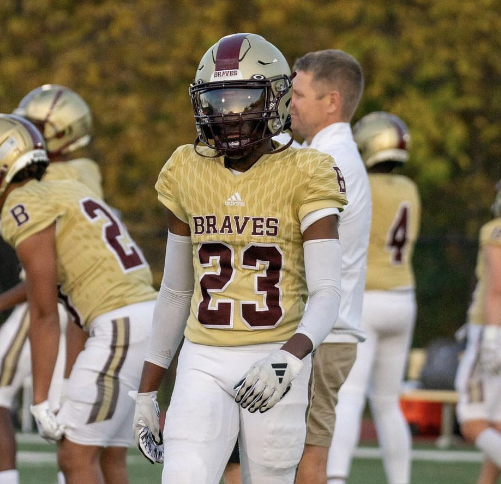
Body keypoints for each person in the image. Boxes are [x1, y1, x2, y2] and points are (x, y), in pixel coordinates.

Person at [131, 33, 348, 484]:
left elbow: (328, 290)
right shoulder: (186, 168)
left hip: (275, 355)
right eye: (217, 100)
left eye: (244, 99)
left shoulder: (307, 170)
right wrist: (146, 390)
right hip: (203, 357)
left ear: (276, 97)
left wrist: (290, 357)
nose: (230, 115)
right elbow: (175, 289)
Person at [0, 113, 157, 484]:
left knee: (74, 455)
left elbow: (43, 311)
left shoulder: (21, 206)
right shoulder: (67, 187)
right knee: (104, 457)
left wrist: (40, 400)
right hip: (139, 316)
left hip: (120, 322)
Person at [0, 84, 105, 484]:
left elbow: (50, 270)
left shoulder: (38, 181)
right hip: (85, 302)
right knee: (72, 413)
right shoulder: (85, 170)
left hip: (57, 303)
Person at [283, 50, 372, 484]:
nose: (290, 102)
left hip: (322, 334)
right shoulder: (321, 152)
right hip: (323, 332)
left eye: (298, 94)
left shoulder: (329, 160)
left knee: (305, 459)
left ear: (331, 101)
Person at [327, 112, 421, 484]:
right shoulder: (409, 189)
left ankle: (336, 477)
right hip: (403, 296)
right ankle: (400, 481)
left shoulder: (362, 184)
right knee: (387, 402)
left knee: (349, 395)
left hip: (367, 297)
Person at [454, 180, 501, 484]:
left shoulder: (495, 230)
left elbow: (497, 289)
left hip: (491, 327)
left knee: (471, 421)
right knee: (496, 424)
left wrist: (492, 336)